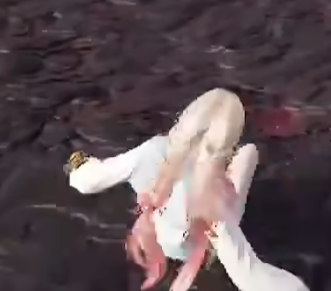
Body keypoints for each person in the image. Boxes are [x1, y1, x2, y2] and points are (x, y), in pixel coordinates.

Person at [64, 88, 309, 291]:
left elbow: (89, 181)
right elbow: (250, 277)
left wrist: (77, 164)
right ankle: (239, 148)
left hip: (169, 237)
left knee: (243, 158)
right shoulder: (214, 201)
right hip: (206, 239)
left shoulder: (150, 152)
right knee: (249, 154)